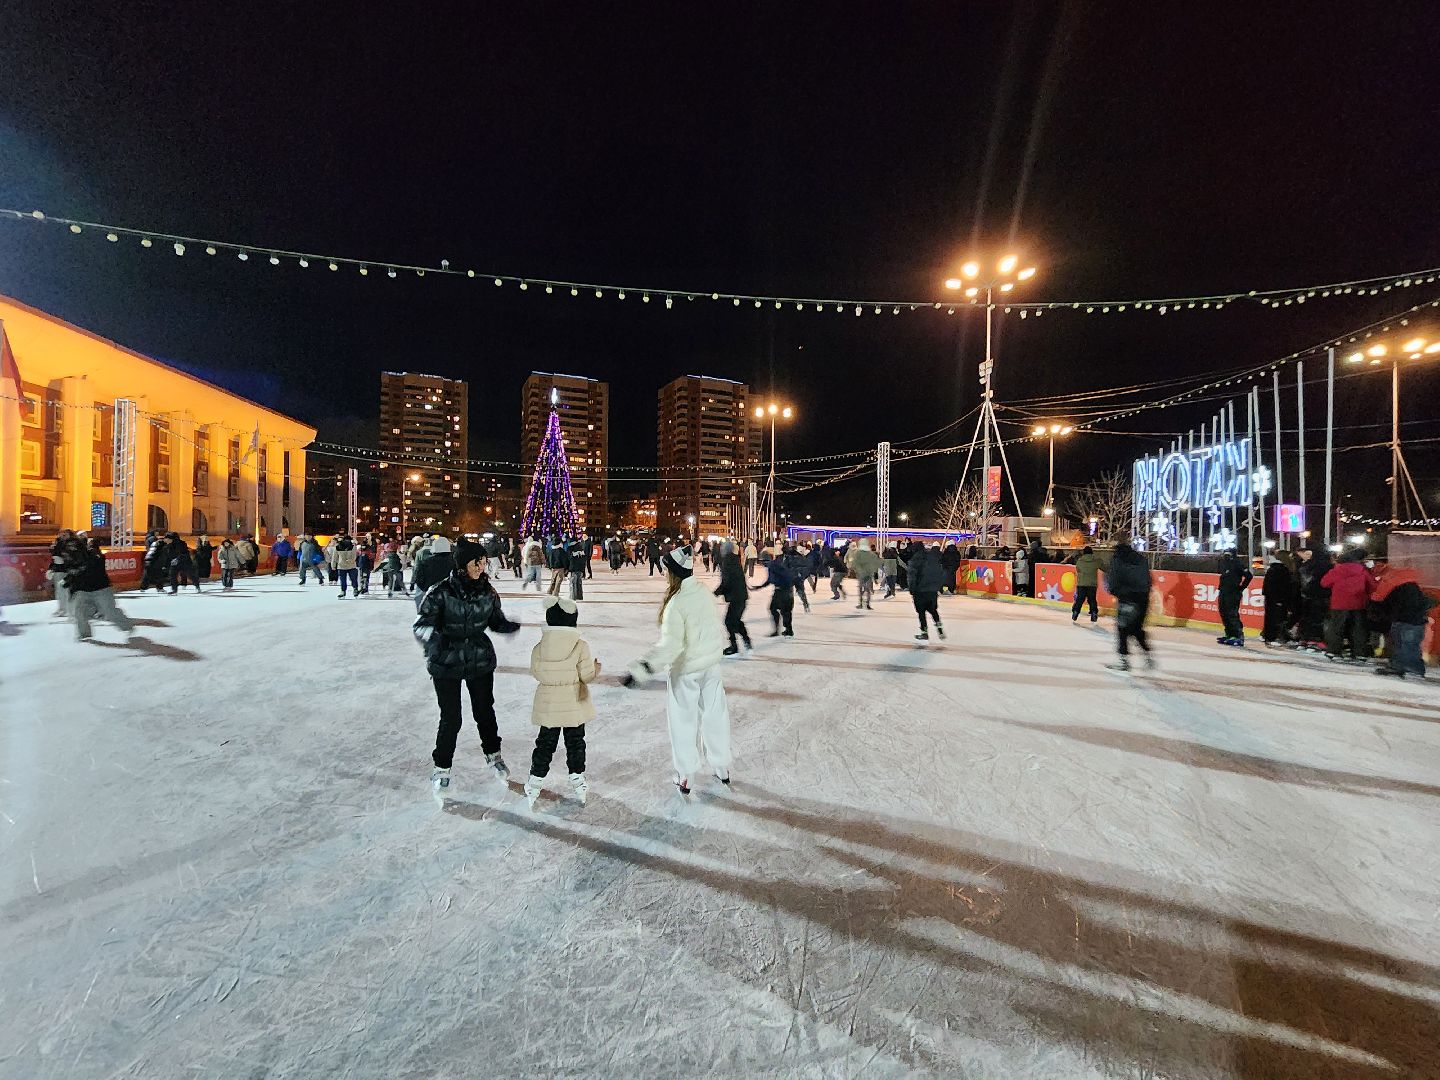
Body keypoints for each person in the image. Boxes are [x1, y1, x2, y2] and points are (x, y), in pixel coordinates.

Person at [622, 545, 732, 794]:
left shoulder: (676, 604)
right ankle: (721, 766)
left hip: (687, 671)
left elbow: (671, 646)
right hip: (710, 666)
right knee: (715, 716)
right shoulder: (702, 591)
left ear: (673, 572)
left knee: (684, 721)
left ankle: (686, 774)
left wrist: (643, 668)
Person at [414, 538, 521, 792]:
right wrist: (434, 641)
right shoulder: (440, 592)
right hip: (446, 660)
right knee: (451, 717)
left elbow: (495, 621)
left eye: (484, 561)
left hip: (479, 659)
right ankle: (442, 766)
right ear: (463, 564)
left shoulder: (488, 591)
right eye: (477, 561)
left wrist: (508, 626)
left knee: (484, 710)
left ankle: (493, 754)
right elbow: (421, 625)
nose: (482, 566)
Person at [523, 595, 599, 809]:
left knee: (545, 744)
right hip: (573, 705)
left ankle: (535, 782)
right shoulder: (580, 645)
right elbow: (586, 676)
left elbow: (535, 672)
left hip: (548, 707)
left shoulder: (540, 647)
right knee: (575, 743)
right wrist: (596, 670)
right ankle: (577, 779)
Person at [67, 538, 136, 641]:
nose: (71, 549)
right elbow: (73, 575)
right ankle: (84, 634)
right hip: (83, 590)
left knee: (109, 611)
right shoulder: (70, 559)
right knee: (79, 611)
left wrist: (82, 568)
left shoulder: (92, 554)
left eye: (73, 546)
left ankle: (127, 626)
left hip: (101, 589)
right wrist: (69, 583)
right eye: (69, 547)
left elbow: (96, 565)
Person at [1372, 564, 1433, 679]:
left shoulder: (1389, 582)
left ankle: (1408, 668)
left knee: (1404, 643)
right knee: (1408, 644)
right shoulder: (1410, 581)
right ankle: (1406, 666)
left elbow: (1377, 598)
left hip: (1403, 618)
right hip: (1415, 619)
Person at [1104, 535, 1155, 671]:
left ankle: (1123, 661)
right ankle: (1147, 654)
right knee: (1136, 628)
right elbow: (1149, 580)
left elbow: (1113, 580)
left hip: (1127, 599)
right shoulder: (1141, 559)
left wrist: (1115, 590)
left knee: (1122, 629)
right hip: (1143, 598)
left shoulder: (1117, 559)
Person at [1320, 548, 1375, 661]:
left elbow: (1324, 583)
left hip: (1339, 603)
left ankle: (1334, 651)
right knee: (1358, 628)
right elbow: (1372, 586)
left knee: (1336, 627)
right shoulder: (1363, 570)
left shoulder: (1338, 569)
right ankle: (1359, 652)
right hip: (1359, 602)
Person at [713, 540, 752, 655]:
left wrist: (716, 592)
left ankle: (734, 646)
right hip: (740, 595)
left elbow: (728, 581)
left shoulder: (728, 561)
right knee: (734, 621)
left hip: (736, 596)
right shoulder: (734, 559)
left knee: (729, 621)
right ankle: (746, 640)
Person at [1294, 546, 1332, 650]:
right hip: (1321, 596)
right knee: (1318, 619)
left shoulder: (1305, 565)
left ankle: (1304, 639)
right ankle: (1315, 640)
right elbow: (1326, 582)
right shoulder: (1326, 566)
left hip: (1306, 595)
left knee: (1306, 618)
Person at [906, 543, 946, 641]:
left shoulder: (915, 560)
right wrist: (938, 586)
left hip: (920, 590)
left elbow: (912, 576)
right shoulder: (932, 558)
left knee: (921, 612)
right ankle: (939, 627)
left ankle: (924, 632)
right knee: (932, 609)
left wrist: (912, 589)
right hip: (932, 590)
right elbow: (940, 572)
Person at [1216, 549, 1254, 646]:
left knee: (1232, 614)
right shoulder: (1224, 564)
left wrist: (1241, 588)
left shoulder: (1238, 564)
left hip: (1233, 592)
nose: (1226, 556)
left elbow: (1249, 576)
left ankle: (1238, 636)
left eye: (1228, 554)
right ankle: (1229, 634)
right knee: (1223, 612)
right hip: (1223, 591)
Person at [47, 529, 86, 617]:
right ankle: (62, 608)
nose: (62, 536)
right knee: (59, 590)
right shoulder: (58, 543)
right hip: (58, 569)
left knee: (67, 590)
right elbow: (54, 557)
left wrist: (66, 563)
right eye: (61, 534)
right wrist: (51, 568)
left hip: (67, 570)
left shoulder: (73, 544)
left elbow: (74, 556)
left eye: (65, 534)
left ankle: (69, 609)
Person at [412, 535, 454, 610]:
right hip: (449, 594)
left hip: (429, 591)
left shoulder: (425, 560)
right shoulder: (454, 561)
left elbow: (418, 573)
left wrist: (423, 587)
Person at [1260, 552, 1294, 645]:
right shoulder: (1281, 569)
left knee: (1272, 617)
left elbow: (1267, 586)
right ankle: (1272, 638)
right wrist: (1280, 599)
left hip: (1273, 598)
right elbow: (1282, 586)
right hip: (1278, 599)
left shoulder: (1273, 568)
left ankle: (1269, 636)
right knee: (1276, 618)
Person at [1070, 546, 1101, 623]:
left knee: (1079, 599)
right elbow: (1104, 567)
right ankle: (1093, 613)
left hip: (1081, 584)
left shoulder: (1079, 561)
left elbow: (1078, 569)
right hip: (1092, 584)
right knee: (1092, 600)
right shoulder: (1096, 561)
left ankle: (1075, 612)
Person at [847, 539, 880, 611]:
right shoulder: (871, 554)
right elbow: (876, 562)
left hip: (861, 574)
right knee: (868, 589)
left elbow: (854, 563)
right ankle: (868, 604)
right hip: (869, 574)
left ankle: (861, 603)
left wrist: (857, 570)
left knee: (861, 588)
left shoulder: (857, 553)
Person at [783, 543, 812, 614]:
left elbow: (784, 568)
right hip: (799, 577)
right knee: (801, 591)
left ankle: (788, 608)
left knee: (789, 592)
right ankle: (805, 603)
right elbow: (806, 567)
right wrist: (803, 576)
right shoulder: (801, 557)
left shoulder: (788, 558)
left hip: (790, 577)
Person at [331, 532, 359, 598]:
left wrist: (351, 560)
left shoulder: (352, 547)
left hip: (351, 566)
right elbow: (334, 557)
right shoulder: (338, 547)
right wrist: (333, 565)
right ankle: (343, 591)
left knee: (353, 579)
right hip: (342, 566)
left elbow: (354, 556)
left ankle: (355, 589)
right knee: (343, 580)